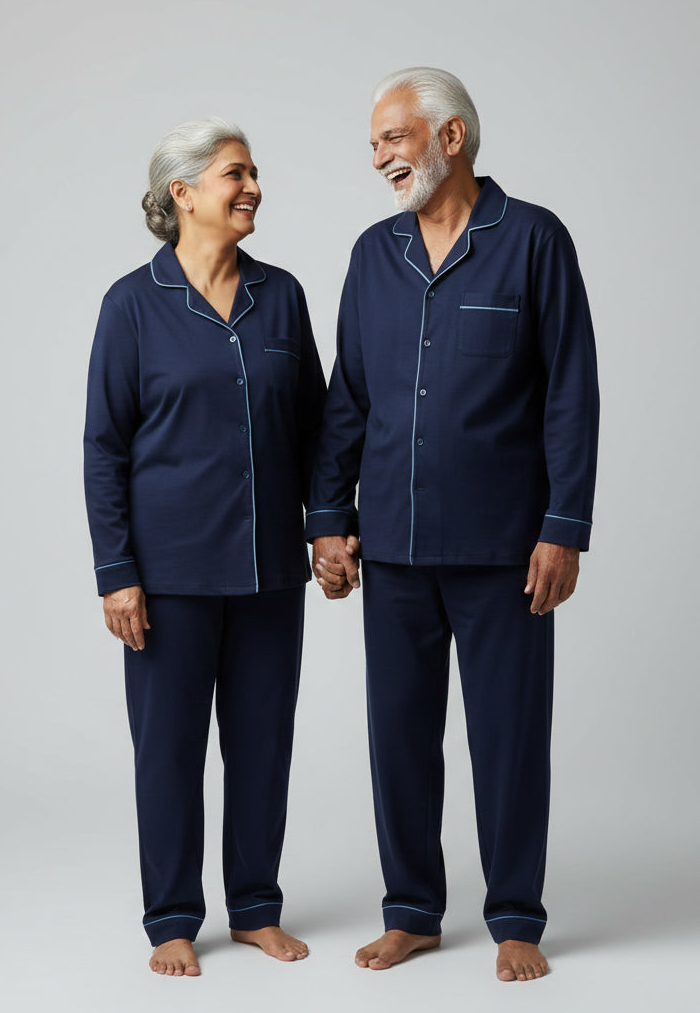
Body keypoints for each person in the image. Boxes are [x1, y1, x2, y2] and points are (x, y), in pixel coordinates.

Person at [308, 68, 599, 982]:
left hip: (506, 550)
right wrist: (328, 518)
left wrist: (564, 526)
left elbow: (572, 393)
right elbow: (346, 397)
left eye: (393, 139)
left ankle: (515, 916)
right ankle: (413, 912)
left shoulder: (535, 242)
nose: (379, 158)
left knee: (509, 737)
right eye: (374, 145)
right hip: (391, 545)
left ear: (451, 138)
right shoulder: (371, 254)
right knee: (397, 735)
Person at [83, 118, 326, 977]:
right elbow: (104, 447)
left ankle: (256, 907)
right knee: (171, 751)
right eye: (235, 173)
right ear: (182, 193)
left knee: (264, 742)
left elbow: (319, 430)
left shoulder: (284, 297)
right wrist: (117, 573)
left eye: (256, 172)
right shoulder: (131, 305)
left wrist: (327, 527)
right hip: (168, 578)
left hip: (268, 573)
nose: (253, 186)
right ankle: (174, 919)